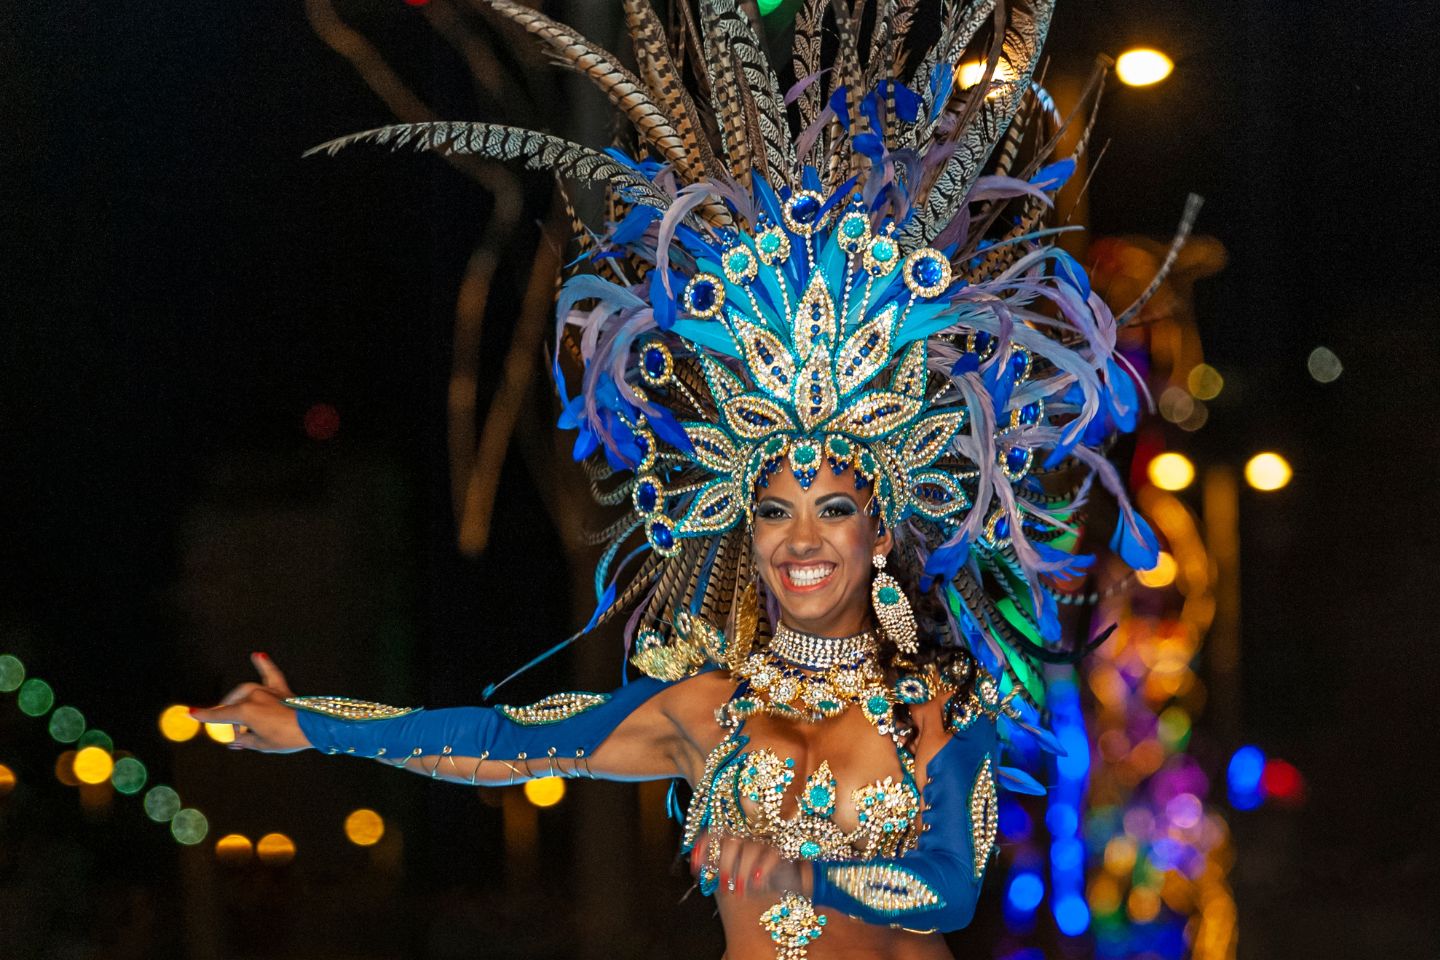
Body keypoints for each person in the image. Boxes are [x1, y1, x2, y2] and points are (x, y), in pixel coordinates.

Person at [194, 1, 1183, 956]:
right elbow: (499, 739)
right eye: (775, 509)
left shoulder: (938, 711)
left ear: (879, 532)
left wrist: (798, 870)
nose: (800, 536)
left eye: (832, 508)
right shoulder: (703, 711)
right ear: (744, 528)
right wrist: (307, 727)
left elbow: (950, 887)